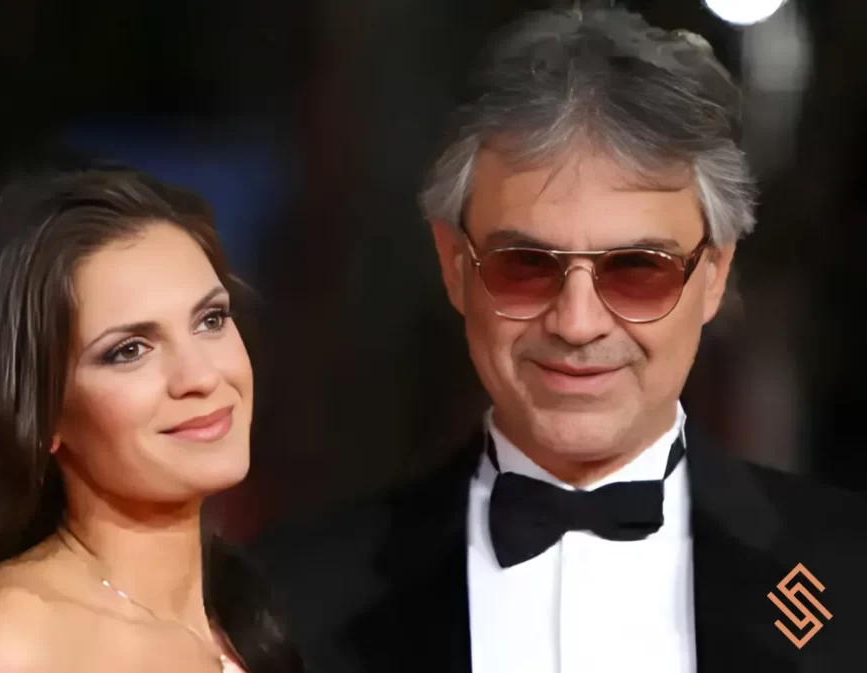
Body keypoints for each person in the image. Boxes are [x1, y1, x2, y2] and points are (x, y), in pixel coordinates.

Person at [247, 7, 867, 673]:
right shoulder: (289, 599)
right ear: (455, 266)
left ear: (713, 275)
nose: (577, 323)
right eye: (525, 266)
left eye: (637, 270)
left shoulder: (852, 573)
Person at [0, 166, 304, 673]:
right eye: (129, 351)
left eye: (211, 320)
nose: (199, 376)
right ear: (44, 415)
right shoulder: (5, 647)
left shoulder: (243, 613)